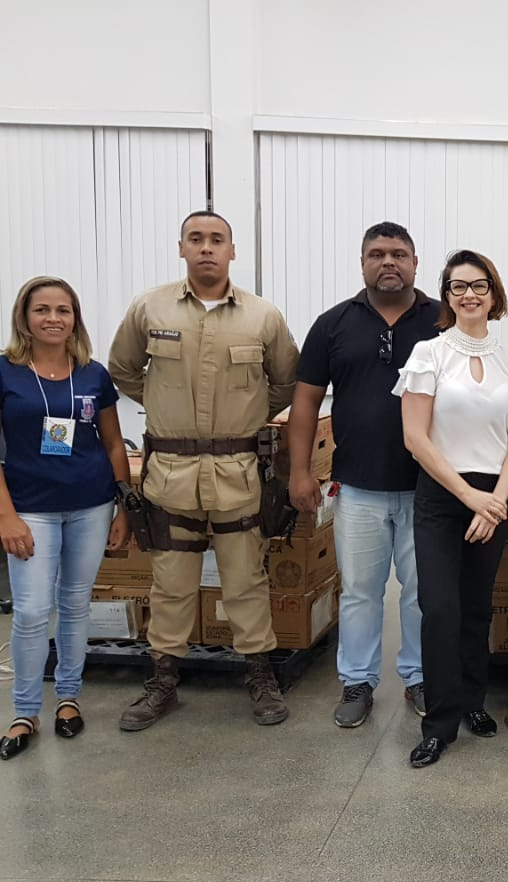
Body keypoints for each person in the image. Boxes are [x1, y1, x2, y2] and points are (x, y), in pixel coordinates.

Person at [108, 211, 299, 730]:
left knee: (245, 579)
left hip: (239, 472)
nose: (207, 248)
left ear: (233, 251)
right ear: (182, 248)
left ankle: (260, 677)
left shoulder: (263, 316)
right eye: (197, 239)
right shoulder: (149, 308)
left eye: (217, 240)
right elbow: (122, 369)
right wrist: (164, 404)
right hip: (170, 471)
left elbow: (286, 381)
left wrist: (249, 414)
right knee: (170, 584)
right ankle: (163, 681)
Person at [290, 222, 439, 728]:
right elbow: (306, 402)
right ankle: (357, 681)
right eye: (377, 254)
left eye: (399, 253)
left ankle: (419, 677)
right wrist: (300, 471)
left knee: (424, 592)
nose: (388, 262)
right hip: (356, 487)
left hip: (429, 488)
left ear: (416, 263)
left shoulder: (442, 322)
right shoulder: (334, 324)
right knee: (359, 591)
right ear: (362, 263)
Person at [395, 250, 508, 767]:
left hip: (493, 497)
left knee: (477, 607)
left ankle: (473, 701)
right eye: (457, 287)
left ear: (494, 294)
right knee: (440, 610)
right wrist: (469, 496)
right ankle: (439, 722)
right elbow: (415, 437)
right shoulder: (428, 354)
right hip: (442, 494)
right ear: (446, 295)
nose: (469, 295)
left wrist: (496, 499)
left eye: (479, 286)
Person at [0, 278, 131, 760]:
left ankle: (69, 699)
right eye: (42, 310)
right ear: (24, 318)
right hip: (28, 508)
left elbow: (115, 443)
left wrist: (122, 507)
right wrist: (5, 516)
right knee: (33, 611)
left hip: (90, 503)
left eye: (63, 310)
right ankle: (25, 710)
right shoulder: (5, 372)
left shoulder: (93, 374)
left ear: (75, 317)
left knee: (76, 605)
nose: (53, 318)